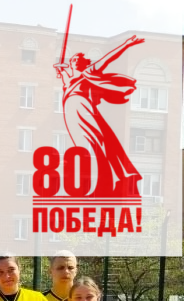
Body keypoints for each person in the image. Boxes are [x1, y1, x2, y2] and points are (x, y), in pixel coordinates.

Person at [55, 36, 146, 198]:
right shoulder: (70, 79)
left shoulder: (89, 72)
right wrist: (60, 70)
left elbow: (108, 58)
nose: (73, 63)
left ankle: (117, 177)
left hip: (84, 111)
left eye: (75, 61)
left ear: (80, 64)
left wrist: (126, 44)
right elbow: (65, 80)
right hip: (73, 115)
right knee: (82, 145)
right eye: (73, 61)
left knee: (103, 143)